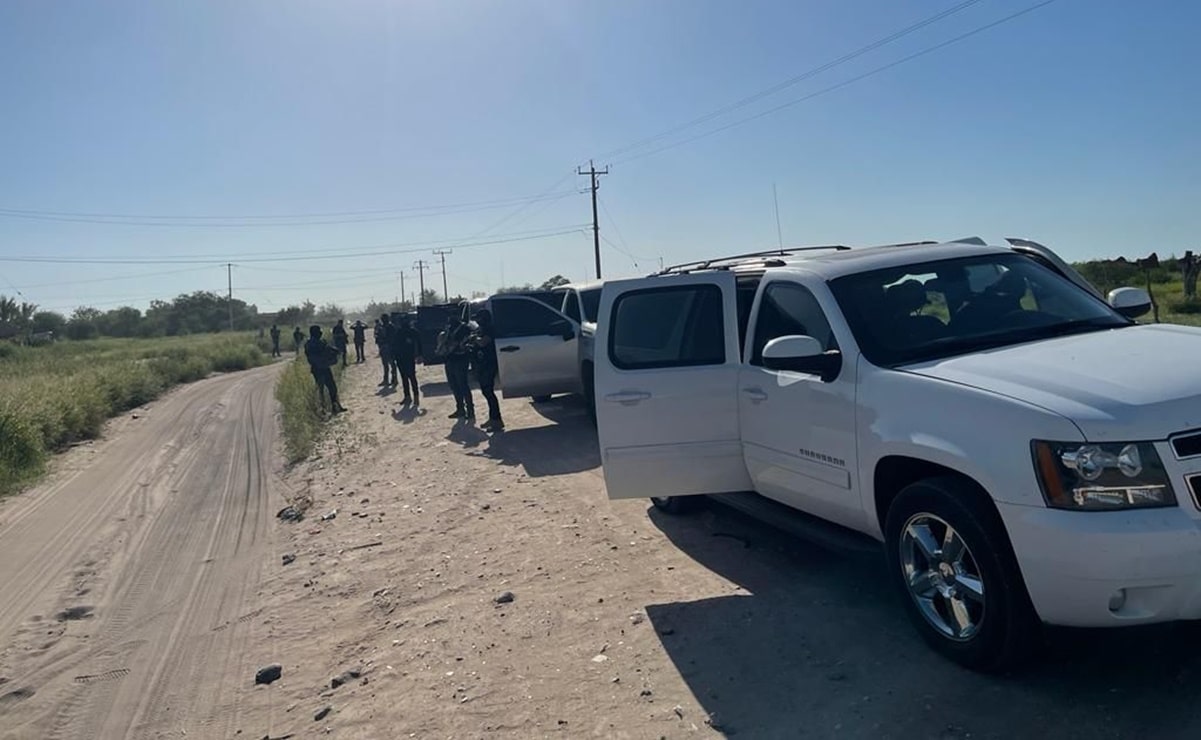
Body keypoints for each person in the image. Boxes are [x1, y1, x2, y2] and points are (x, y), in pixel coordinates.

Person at [470, 309, 503, 431]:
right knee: (486, 391)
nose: (478, 321)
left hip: (489, 363)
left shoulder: (489, 328)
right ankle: (493, 418)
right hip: (482, 363)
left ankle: (497, 421)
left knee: (489, 392)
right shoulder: (482, 329)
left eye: (479, 318)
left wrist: (475, 340)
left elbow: (484, 342)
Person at [439, 315, 475, 422]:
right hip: (450, 359)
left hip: (461, 359)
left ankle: (470, 410)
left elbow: (467, 342)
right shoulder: (449, 329)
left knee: (463, 385)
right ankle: (460, 409)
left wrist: (457, 345)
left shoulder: (464, 328)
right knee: (453, 385)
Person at [304, 325, 345, 413]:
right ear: (315, 333)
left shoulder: (310, 343)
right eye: (319, 331)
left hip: (319, 368)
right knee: (328, 388)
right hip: (321, 368)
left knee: (325, 389)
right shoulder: (316, 343)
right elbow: (327, 350)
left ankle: (329, 408)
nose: (320, 333)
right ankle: (330, 408)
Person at [391, 314, 423, 405]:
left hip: (407, 357)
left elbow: (419, 343)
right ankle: (409, 397)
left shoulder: (410, 331)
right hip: (402, 357)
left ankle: (413, 397)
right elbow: (394, 345)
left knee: (409, 377)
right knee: (407, 377)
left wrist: (419, 355)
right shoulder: (400, 332)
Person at [377, 314, 397, 387]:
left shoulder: (391, 327)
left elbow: (393, 338)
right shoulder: (381, 327)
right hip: (384, 347)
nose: (383, 320)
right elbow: (378, 338)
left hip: (390, 348)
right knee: (385, 365)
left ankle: (394, 379)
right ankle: (386, 380)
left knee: (392, 364)